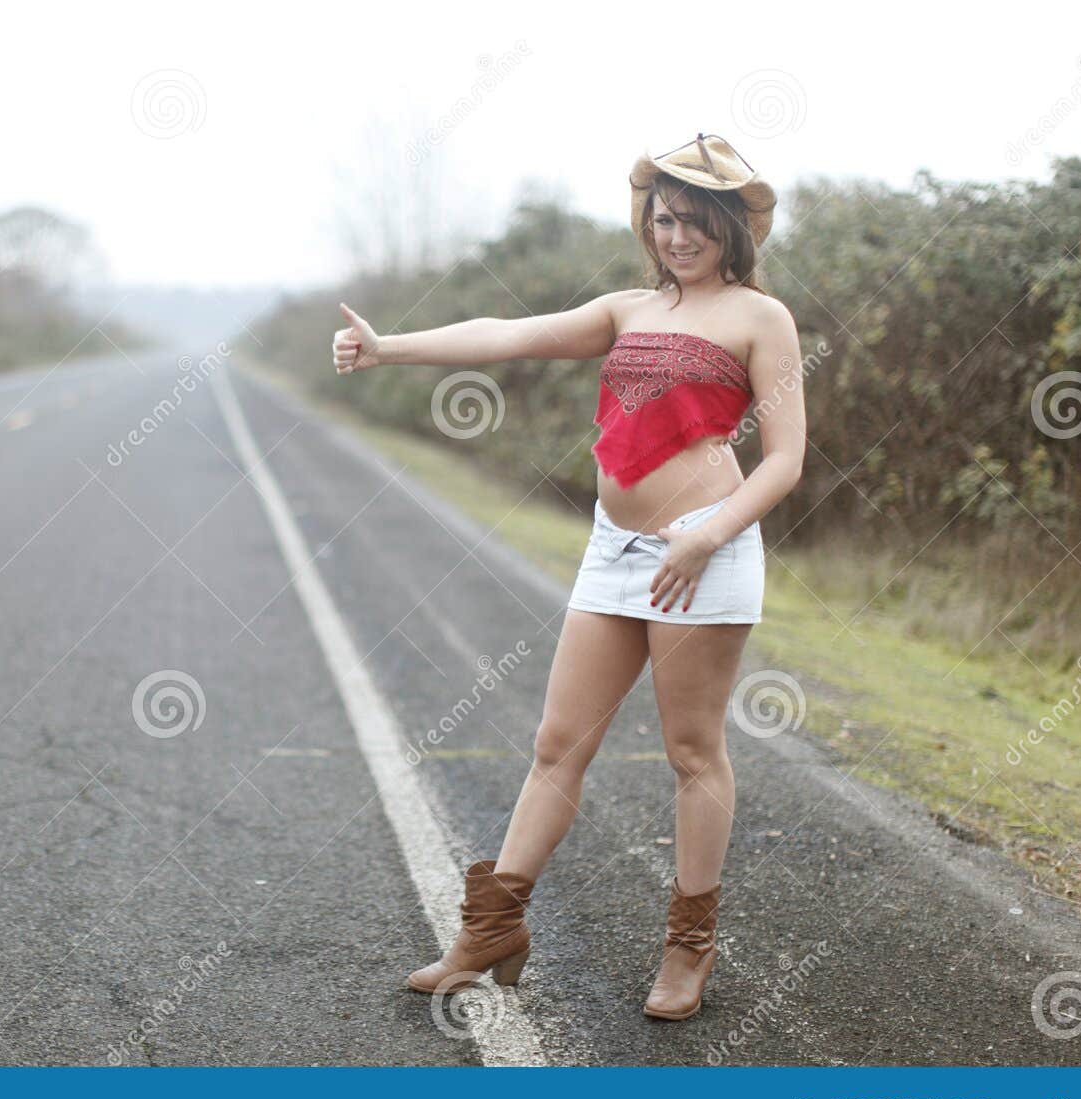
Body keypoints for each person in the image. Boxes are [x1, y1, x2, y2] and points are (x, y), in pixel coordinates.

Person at [330, 133, 806, 1020]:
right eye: (664, 219)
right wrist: (388, 348)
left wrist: (707, 538)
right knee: (558, 742)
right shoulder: (627, 308)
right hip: (613, 550)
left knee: (692, 752)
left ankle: (688, 946)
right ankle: (492, 929)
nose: (677, 237)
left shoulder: (758, 318)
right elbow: (508, 335)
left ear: (733, 229)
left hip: (705, 551)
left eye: (696, 222)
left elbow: (785, 462)